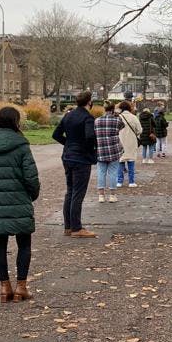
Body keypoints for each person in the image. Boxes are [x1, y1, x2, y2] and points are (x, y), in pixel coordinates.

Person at [0, 107, 40, 303]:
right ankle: (21, 287)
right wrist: (31, 195)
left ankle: (4, 287)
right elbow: (31, 177)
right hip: (19, 200)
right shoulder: (21, 145)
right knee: (24, 244)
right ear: (16, 122)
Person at [52, 90, 98, 238]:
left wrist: (69, 144)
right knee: (78, 193)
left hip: (68, 156)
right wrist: (90, 150)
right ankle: (77, 228)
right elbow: (90, 136)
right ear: (89, 102)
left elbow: (56, 134)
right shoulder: (87, 118)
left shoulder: (68, 115)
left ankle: (69, 226)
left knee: (70, 191)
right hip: (81, 158)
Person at [95, 101, 124, 201]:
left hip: (101, 149)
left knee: (101, 172)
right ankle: (112, 195)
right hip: (114, 149)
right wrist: (116, 115)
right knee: (113, 172)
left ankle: (101, 196)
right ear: (113, 109)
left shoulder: (97, 120)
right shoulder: (117, 120)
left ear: (104, 109)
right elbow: (122, 126)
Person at [116, 100, 142, 187]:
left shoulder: (118, 117)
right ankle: (131, 181)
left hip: (120, 141)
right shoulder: (134, 117)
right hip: (131, 141)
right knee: (131, 161)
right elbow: (139, 130)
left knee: (120, 161)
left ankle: (119, 181)